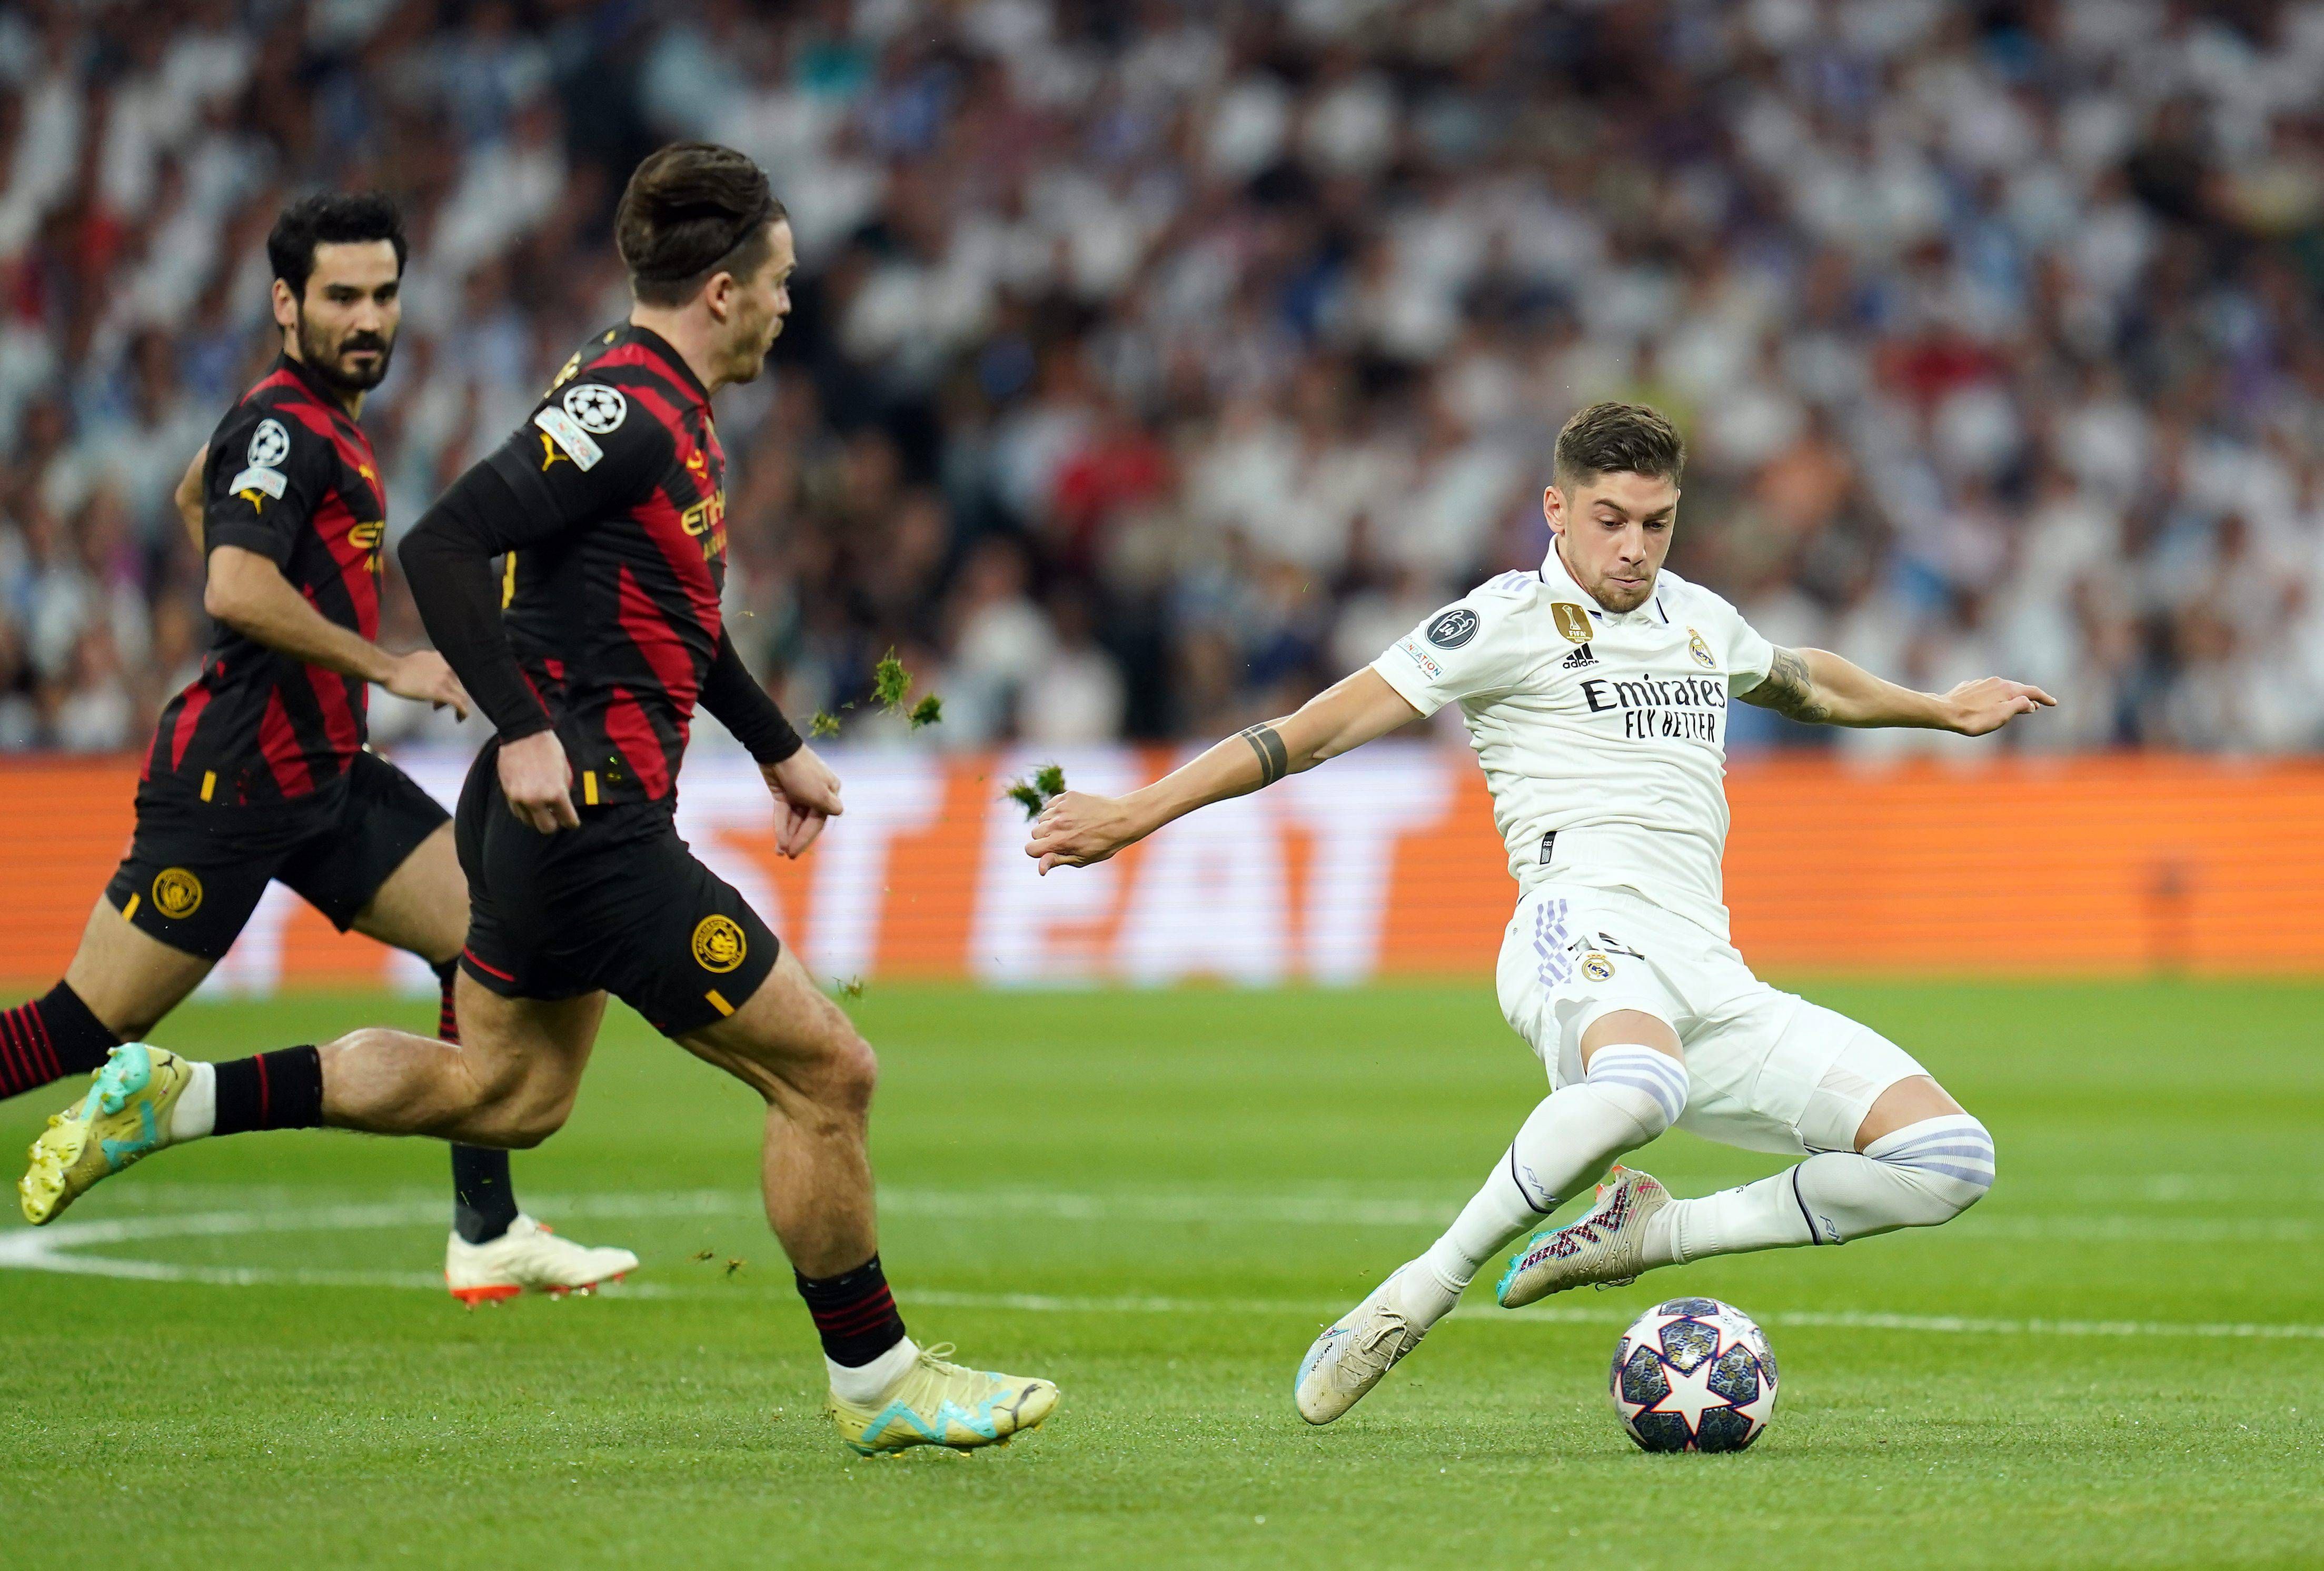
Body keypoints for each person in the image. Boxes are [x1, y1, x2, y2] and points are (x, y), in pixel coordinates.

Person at [21, 144, 1056, 1458]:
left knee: (507, 1094)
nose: (794, 305)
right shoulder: (625, 409)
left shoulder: (647, 402)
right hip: (593, 831)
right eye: (782, 281)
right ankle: (879, 1377)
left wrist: (775, 741)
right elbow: (445, 542)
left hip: (547, 827)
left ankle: (181, 1100)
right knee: (827, 1072)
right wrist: (522, 726)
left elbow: (681, 617)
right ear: (724, 292)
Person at [1025, 401, 2050, 1425]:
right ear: (1554, 510)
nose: (1633, 546)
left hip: (1712, 974)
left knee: (1949, 1159)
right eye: (1609, 518)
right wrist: (1138, 809)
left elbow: (1798, 679)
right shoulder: (1498, 624)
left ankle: (1650, 1233)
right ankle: (1415, 1292)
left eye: (1655, 522)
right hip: (1575, 929)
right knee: (1642, 1085)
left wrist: (1937, 707)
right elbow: (1315, 729)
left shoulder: (1695, 618)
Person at [7, 192, 635, 1303]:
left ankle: (484, 1232)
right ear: (285, 304)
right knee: (82, 1026)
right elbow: (231, 579)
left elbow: (194, 495)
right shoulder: (287, 426)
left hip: (327, 778)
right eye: (341, 296)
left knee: (481, 939)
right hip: (234, 784)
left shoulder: (307, 418)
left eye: (384, 295)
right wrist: (382, 662)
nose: (368, 318)